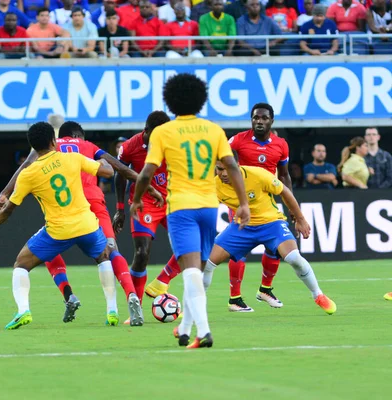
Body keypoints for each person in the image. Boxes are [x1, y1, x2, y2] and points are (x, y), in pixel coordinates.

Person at [0, 121, 163, 326]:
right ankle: (129, 297)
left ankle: (68, 294)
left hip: (64, 204)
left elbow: (25, 166)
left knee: (47, 249)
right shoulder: (88, 146)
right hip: (92, 202)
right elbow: (120, 169)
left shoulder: (51, 145)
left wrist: (5, 193)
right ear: (79, 135)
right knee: (110, 251)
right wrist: (149, 189)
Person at [131, 73, 250, 349]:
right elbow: (232, 167)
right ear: (201, 100)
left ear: (170, 102)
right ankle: (184, 329)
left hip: (181, 208)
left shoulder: (163, 132)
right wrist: (243, 203)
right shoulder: (213, 130)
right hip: (209, 206)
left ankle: (203, 331)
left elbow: (147, 172)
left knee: (190, 270)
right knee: (197, 268)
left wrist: (136, 200)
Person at [149, 102, 292, 313]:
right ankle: (234, 298)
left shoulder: (281, 145)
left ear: (271, 120)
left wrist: (288, 202)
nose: (259, 121)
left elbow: (284, 174)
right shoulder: (238, 141)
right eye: (256, 117)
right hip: (238, 196)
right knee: (233, 248)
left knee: (274, 248)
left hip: (265, 198)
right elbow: (218, 157)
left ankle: (265, 289)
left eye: (263, 118)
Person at [0, 122, 117, 330]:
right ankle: (112, 310)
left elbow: (9, 208)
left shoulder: (28, 174)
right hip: (87, 225)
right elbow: (107, 173)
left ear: (33, 147)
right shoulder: (73, 158)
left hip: (58, 232)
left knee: (21, 264)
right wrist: (105, 160)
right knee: (103, 257)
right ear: (54, 141)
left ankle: (23, 310)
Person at [203, 160, 337, 315]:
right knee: (207, 264)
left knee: (294, 258)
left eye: (228, 169)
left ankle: (318, 295)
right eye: (219, 169)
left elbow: (285, 191)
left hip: (271, 223)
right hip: (242, 227)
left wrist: (300, 219)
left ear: (238, 166)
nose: (224, 174)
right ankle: (195, 307)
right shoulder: (214, 186)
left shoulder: (258, 175)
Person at [114, 111, 184, 302]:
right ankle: (136, 305)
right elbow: (119, 175)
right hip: (144, 204)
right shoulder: (130, 147)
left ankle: (162, 280)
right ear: (146, 130)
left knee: (192, 246)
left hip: (172, 202)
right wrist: (120, 208)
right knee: (141, 254)